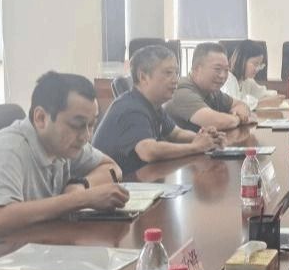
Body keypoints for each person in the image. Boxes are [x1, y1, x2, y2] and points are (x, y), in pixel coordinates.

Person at [0, 72, 129, 270]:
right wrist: (80, 199)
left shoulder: (64, 145)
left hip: (16, 256)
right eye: (77, 125)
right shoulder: (8, 150)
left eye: (92, 124)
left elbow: (112, 168)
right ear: (41, 118)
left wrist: (80, 186)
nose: (86, 136)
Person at [93, 45, 225, 174]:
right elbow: (148, 151)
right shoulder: (131, 109)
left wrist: (206, 138)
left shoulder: (152, 104)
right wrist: (195, 147)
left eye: (176, 73)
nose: (175, 80)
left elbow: (176, 134)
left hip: (140, 179)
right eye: (168, 73)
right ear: (143, 77)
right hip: (117, 184)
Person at [166, 42, 254, 131]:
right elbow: (216, 122)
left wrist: (239, 114)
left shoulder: (212, 91)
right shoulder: (182, 91)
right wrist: (238, 119)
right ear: (197, 69)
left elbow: (242, 105)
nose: (223, 75)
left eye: (226, 70)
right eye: (217, 69)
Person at [224, 40, 279, 105]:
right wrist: (262, 102)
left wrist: (276, 96)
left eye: (260, 64)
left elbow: (262, 93)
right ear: (242, 60)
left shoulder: (247, 80)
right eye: (255, 64)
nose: (258, 69)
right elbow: (235, 105)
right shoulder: (228, 79)